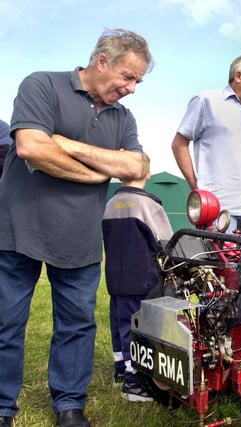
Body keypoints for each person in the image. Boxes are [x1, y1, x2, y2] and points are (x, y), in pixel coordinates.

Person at [0, 29, 153, 427]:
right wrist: (97, 171)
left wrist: (65, 145)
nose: (132, 88)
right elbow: (31, 147)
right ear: (102, 61)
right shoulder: (42, 84)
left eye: (138, 81)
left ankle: (69, 405)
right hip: (19, 230)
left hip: (80, 238)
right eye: (128, 76)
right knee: (6, 323)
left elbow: (135, 168)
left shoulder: (123, 117)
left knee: (77, 325)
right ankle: (2, 407)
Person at [171, 55, 241, 232]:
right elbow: (179, 144)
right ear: (238, 76)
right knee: (220, 260)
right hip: (219, 211)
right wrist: (197, 187)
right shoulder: (205, 101)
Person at [102, 152, 173, 402]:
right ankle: (135, 383)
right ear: (149, 175)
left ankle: (121, 371)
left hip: (115, 279)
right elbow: (166, 242)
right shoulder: (149, 205)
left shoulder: (110, 204)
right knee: (140, 329)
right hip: (143, 281)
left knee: (120, 325)